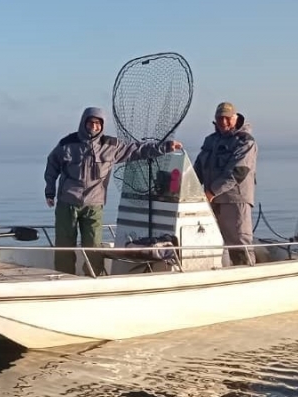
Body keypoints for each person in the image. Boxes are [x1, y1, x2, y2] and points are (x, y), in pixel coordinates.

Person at [44, 107, 182, 275]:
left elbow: (137, 149)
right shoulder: (67, 144)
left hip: (94, 205)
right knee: (64, 245)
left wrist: (165, 147)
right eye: (90, 122)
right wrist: (49, 192)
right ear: (83, 122)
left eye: (97, 123)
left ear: (102, 126)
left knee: (93, 246)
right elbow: (52, 166)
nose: (94, 127)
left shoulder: (111, 145)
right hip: (67, 203)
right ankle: (64, 276)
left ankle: (92, 277)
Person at [193, 102, 257, 266]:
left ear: (236, 118)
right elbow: (198, 168)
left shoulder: (245, 142)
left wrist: (211, 192)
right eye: (220, 118)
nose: (224, 122)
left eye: (227, 118)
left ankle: (247, 276)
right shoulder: (210, 141)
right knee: (216, 243)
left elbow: (238, 172)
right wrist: (188, 186)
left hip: (235, 201)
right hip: (212, 201)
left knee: (239, 243)